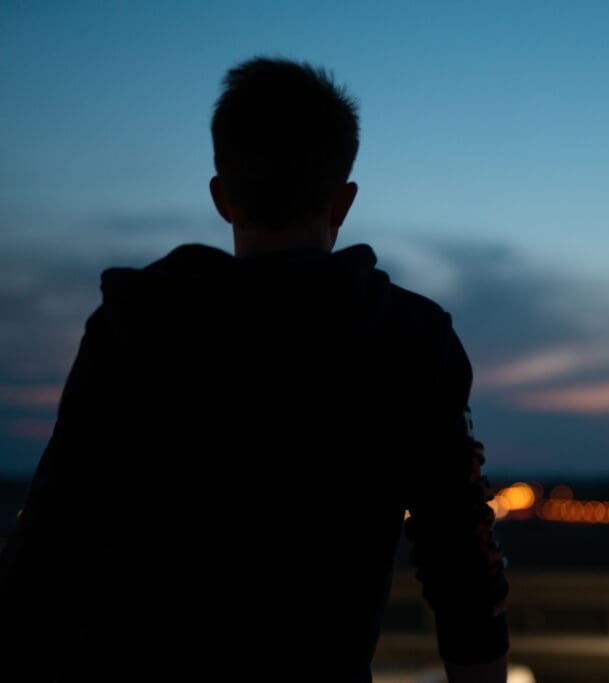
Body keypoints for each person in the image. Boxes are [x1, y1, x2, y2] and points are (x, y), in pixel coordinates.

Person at [0, 56, 510, 682]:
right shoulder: (406, 337)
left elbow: (50, 544)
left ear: (222, 196)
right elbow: (456, 548)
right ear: (342, 201)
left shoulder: (137, 328)